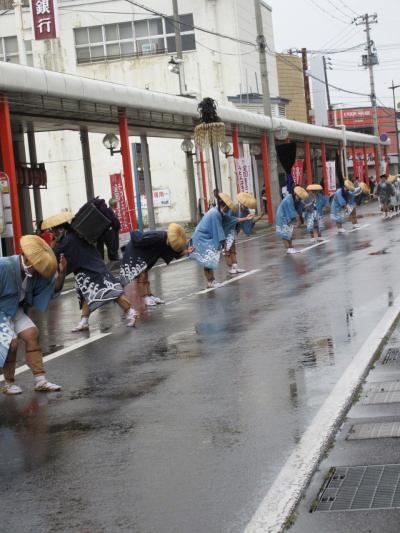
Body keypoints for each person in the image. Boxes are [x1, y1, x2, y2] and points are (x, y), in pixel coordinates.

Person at [41, 212, 138, 330]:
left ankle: (131, 312)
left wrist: (53, 246)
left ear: (61, 229)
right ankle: (84, 320)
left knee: (111, 291)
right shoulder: (75, 233)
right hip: (86, 270)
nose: (54, 234)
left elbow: (55, 253)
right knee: (85, 294)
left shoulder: (68, 240)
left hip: (93, 268)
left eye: (55, 231)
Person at [1, 235, 66, 394]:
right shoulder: (4, 266)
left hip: (15, 310)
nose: (36, 269)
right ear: (26, 257)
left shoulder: (34, 274)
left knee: (32, 334)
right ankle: (8, 383)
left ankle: (40, 381)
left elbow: (51, 288)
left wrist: (62, 273)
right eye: (35, 265)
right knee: (11, 343)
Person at [120, 223, 192, 306]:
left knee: (145, 274)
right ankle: (145, 298)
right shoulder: (159, 236)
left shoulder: (167, 241)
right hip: (134, 251)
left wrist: (186, 252)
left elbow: (173, 253)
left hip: (143, 255)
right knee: (142, 275)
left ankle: (149, 296)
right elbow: (138, 237)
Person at [189, 192, 242, 288]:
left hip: (205, 238)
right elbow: (218, 230)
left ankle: (211, 281)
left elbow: (229, 220)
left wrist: (244, 219)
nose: (228, 210)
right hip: (201, 238)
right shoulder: (214, 213)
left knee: (209, 259)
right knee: (208, 259)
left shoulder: (218, 212)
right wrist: (224, 244)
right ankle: (211, 281)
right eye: (227, 208)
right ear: (224, 206)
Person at [222, 192, 256, 275]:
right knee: (227, 249)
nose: (246, 206)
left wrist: (251, 220)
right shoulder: (235, 208)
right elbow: (230, 220)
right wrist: (245, 218)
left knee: (233, 249)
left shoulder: (246, 211)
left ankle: (235, 267)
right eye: (245, 205)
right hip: (227, 230)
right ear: (242, 203)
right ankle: (231, 266)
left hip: (234, 231)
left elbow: (246, 223)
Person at [276, 186, 309, 254]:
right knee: (285, 233)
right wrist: (298, 220)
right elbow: (293, 211)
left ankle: (290, 247)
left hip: (288, 217)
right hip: (282, 216)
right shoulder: (288, 199)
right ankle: (288, 248)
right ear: (295, 194)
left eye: (301, 198)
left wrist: (309, 206)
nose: (300, 199)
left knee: (289, 232)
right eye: (299, 197)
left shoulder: (297, 200)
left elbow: (302, 206)